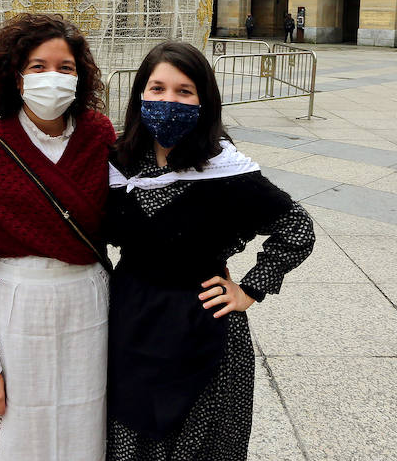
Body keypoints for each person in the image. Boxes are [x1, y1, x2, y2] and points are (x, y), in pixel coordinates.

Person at [105, 41, 315, 461]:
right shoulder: (116, 162)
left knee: (198, 445)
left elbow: (297, 226)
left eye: (184, 91)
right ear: (139, 95)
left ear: (204, 100)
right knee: (129, 441)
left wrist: (250, 289)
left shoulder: (225, 170)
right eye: (157, 89)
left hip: (203, 326)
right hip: (131, 321)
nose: (169, 101)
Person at [0, 13, 116, 461]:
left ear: (81, 76)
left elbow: (140, 212)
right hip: (18, 309)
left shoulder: (100, 135)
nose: (52, 78)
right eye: (38, 67)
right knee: (18, 430)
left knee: (85, 420)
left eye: (66, 67)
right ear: (15, 78)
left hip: (89, 303)